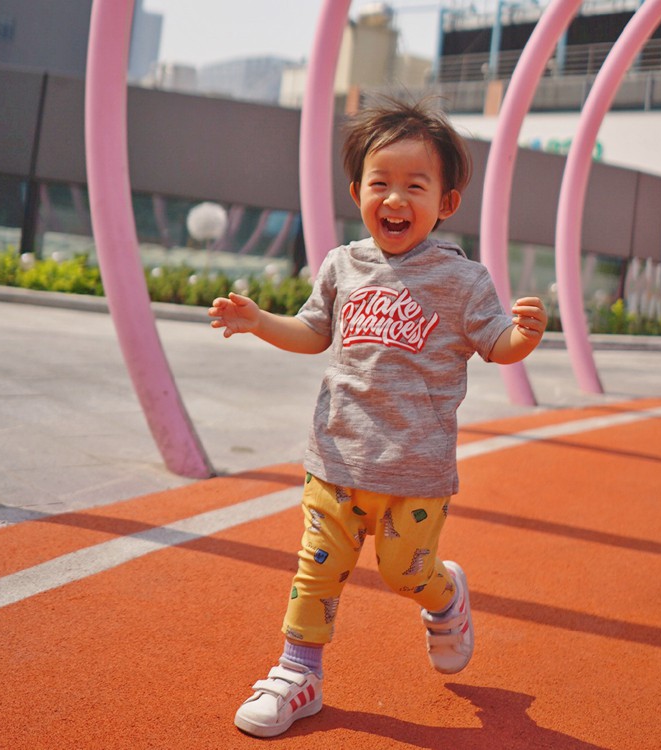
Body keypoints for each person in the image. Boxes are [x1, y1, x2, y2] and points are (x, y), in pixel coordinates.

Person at [208, 97, 547, 738]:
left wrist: (522, 337)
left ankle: (445, 597)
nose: (394, 198)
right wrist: (259, 322)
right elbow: (314, 332)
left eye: (415, 186)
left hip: (415, 472)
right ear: (357, 191)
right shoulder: (343, 265)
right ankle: (299, 672)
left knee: (405, 572)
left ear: (446, 202)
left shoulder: (462, 281)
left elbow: (496, 343)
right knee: (316, 570)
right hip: (335, 458)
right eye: (379, 183)